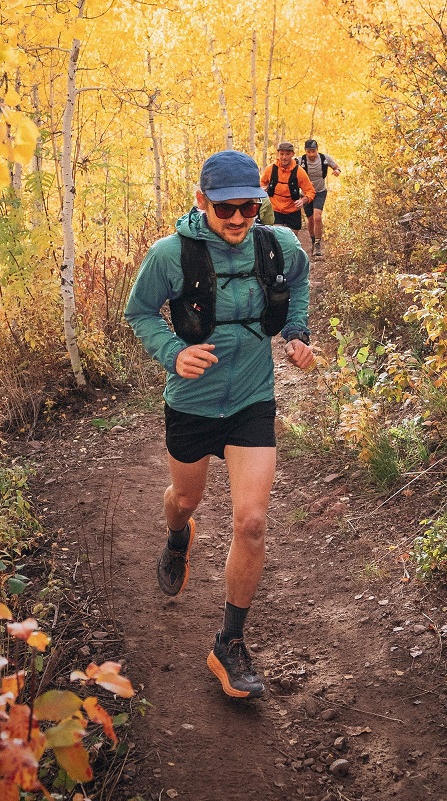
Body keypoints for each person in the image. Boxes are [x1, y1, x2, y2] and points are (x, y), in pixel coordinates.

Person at [124, 150, 315, 701]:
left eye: (248, 208)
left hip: (253, 397)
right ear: (202, 200)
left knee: (252, 521)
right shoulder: (170, 255)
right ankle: (177, 535)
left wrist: (296, 332)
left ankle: (228, 643)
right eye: (226, 208)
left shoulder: (277, 245)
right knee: (186, 499)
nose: (237, 220)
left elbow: (297, 280)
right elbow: (138, 313)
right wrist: (171, 353)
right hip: (192, 402)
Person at [297, 138, 341, 258]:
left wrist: (337, 171)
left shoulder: (324, 158)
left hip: (320, 191)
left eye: (313, 151)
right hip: (305, 194)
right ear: (305, 151)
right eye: (309, 151)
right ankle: (312, 240)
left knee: (317, 217)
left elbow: (337, 167)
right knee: (310, 219)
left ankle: (317, 244)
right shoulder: (300, 161)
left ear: (317, 150)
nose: (311, 154)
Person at [260, 141, 316, 235]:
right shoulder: (271, 169)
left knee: (291, 242)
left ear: (293, 154)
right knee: (277, 238)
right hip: (275, 209)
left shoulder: (299, 172)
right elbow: (262, 183)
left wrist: (303, 200)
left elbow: (310, 191)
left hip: (292, 210)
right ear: (278, 154)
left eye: (287, 154)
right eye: (281, 154)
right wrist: (263, 188)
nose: (284, 157)